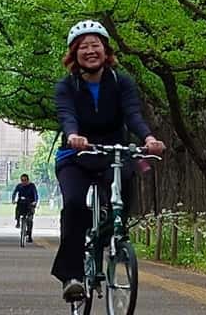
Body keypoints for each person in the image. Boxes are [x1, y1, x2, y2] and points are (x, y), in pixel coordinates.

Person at [51, 20, 166, 302]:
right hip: (76, 156)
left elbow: (133, 114)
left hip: (112, 152)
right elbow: (67, 115)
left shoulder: (121, 82)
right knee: (75, 205)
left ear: (106, 50)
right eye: (83, 47)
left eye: (96, 45)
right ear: (74, 53)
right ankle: (72, 276)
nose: (90, 51)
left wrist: (149, 138)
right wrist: (73, 135)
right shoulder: (67, 86)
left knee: (124, 189)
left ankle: (111, 238)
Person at [11, 173, 39, 240]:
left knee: (30, 220)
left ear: (28, 180)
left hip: (30, 204)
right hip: (21, 203)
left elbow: (35, 194)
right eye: (22, 180)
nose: (23, 182)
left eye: (25, 180)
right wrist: (13, 200)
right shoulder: (19, 186)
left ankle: (29, 235)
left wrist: (35, 201)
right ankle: (18, 221)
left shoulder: (32, 186)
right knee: (18, 209)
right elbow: (14, 193)